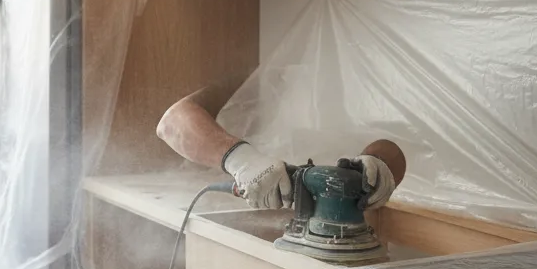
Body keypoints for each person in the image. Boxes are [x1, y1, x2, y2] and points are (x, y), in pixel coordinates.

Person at [156, 81, 405, 210]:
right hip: (247, 215)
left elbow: (394, 150)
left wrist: (378, 165)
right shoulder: (259, 70)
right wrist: (242, 161)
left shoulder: (368, 85)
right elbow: (172, 122)